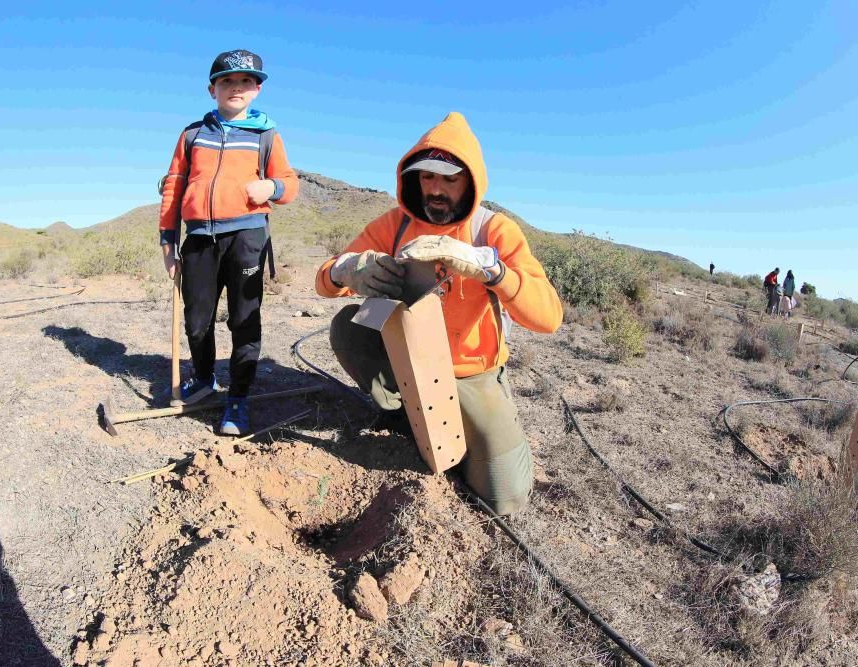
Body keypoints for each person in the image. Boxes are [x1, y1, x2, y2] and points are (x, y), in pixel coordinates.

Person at [314, 112, 563, 515]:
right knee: (349, 326)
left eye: (449, 179)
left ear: (471, 181)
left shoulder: (493, 231)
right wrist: (347, 270)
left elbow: (548, 317)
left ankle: (467, 428)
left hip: (469, 374)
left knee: (504, 497)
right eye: (427, 177)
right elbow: (326, 280)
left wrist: (492, 270)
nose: (436, 190)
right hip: (408, 359)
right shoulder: (394, 225)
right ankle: (401, 416)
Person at [158, 49, 298, 435]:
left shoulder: (266, 135)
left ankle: (237, 398)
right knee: (197, 320)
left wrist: (272, 186)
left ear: (256, 89)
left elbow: (290, 184)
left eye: (244, 82)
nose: (235, 87)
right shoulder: (191, 135)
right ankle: (204, 379)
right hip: (200, 238)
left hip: (247, 236)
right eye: (227, 81)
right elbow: (173, 187)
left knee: (243, 320)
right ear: (212, 89)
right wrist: (168, 243)